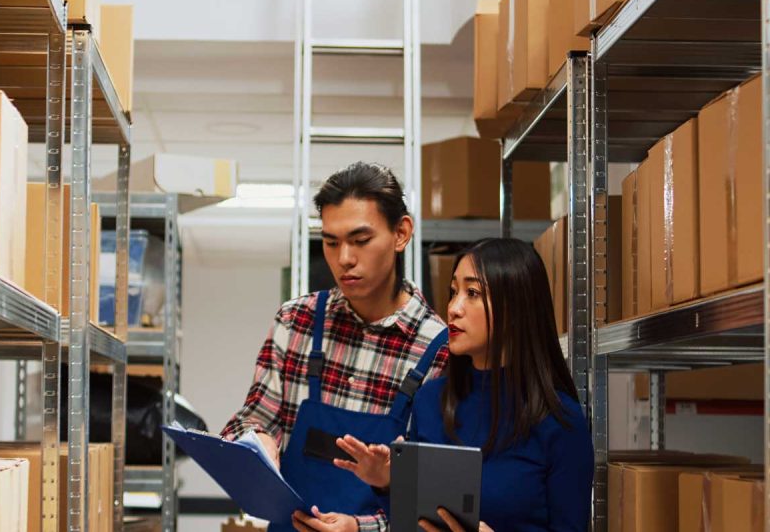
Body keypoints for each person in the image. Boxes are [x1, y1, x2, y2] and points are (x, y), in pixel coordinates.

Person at [220, 162, 449, 532]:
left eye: (360, 241)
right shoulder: (296, 322)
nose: (344, 259)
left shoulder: (440, 350)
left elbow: (433, 497)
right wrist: (256, 439)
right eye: (330, 242)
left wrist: (360, 528)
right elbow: (252, 418)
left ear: (401, 233)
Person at [332, 238, 594, 532]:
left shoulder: (560, 422)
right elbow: (413, 524)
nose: (454, 308)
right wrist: (388, 483)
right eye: (453, 291)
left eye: (472, 293)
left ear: (516, 307)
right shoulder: (430, 401)